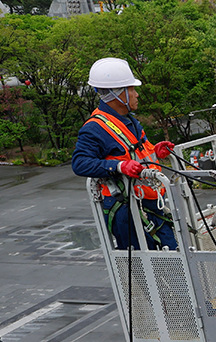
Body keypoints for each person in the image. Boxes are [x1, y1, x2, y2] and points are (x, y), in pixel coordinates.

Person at [71, 58, 178, 251]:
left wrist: (156, 151)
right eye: (131, 89)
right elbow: (80, 163)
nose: (137, 94)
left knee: (173, 258)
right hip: (125, 208)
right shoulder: (95, 128)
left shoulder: (129, 121)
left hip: (149, 204)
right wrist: (118, 167)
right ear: (117, 94)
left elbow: (137, 153)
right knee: (148, 268)